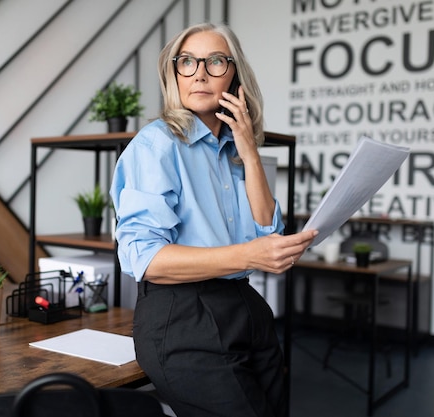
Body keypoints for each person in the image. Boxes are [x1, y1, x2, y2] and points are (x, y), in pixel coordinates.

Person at [110, 22, 318, 417]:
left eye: (215, 61)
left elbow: (267, 234)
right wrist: (249, 255)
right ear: (174, 74)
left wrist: (251, 152)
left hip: (245, 309)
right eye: (187, 62)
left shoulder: (234, 151)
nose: (200, 72)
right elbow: (146, 260)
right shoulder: (156, 145)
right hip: (184, 318)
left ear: (234, 74)